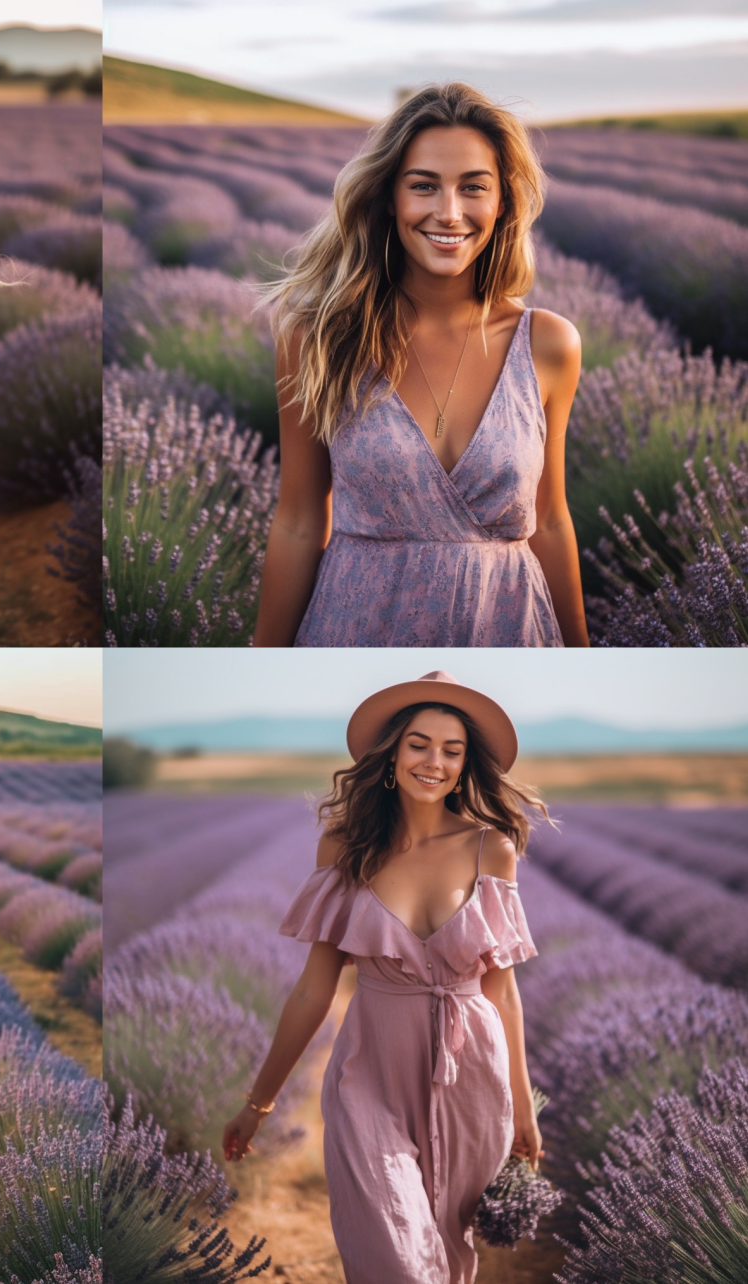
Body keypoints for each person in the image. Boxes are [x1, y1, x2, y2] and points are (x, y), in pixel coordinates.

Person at [222, 671, 546, 1284]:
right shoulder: (345, 848)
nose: (436, 761)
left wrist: (524, 1109)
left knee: (450, 1255)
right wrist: (257, 1104)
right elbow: (312, 990)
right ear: (393, 754)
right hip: (369, 1071)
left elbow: (503, 992)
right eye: (420, 744)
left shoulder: (491, 849)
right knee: (393, 1257)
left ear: (465, 765)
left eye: (453, 751)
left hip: (472, 1075)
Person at [255, 82, 589, 647]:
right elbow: (298, 520)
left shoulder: (549, 345)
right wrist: (262, 667)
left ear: (502, 201)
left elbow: (551, 520)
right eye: (424, 186)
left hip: (507, 629)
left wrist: (584, 664)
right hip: (356, 630)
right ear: (390, 197)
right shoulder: (318, 336)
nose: (449, 212)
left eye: (473, 187)